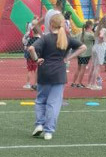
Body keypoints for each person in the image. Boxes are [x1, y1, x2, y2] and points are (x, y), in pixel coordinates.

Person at [27, 13, 85, 141]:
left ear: (50, 24)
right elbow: (83, 47)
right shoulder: (67, 38)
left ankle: (39, 124)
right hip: (59, 74)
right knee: (53, 103)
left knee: (41, 100)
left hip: (44, 72)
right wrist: (69, 58)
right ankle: (49, 131)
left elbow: (31, 48)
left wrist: (36, 60)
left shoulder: (45, 38)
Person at [71, 20, 94, 88]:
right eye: (92, 25)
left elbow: (73, 37)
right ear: (90, 26)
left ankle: (73, 82)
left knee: (78, 68)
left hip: (80, 53)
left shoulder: (80, 33)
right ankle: (79, 83)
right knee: (83, 69)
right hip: (86, 54)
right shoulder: (90, 35)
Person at [89, 20, 106, 89]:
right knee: (97, 67)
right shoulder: (103, 29)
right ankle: (94, 84)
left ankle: (90, 83)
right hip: (100, 48)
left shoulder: (97, 28)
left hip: (95, 47)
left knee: (93, 66)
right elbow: (101, 36)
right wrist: (103, 40)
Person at [22, 17, 40, 90]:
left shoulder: (31, 39)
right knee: (36, 70)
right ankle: (36, 83)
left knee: (29, 70)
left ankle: (28, 84)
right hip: (37, 56)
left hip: (30, 57)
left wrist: (26, 47)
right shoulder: (40, 39)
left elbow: (27, 47)